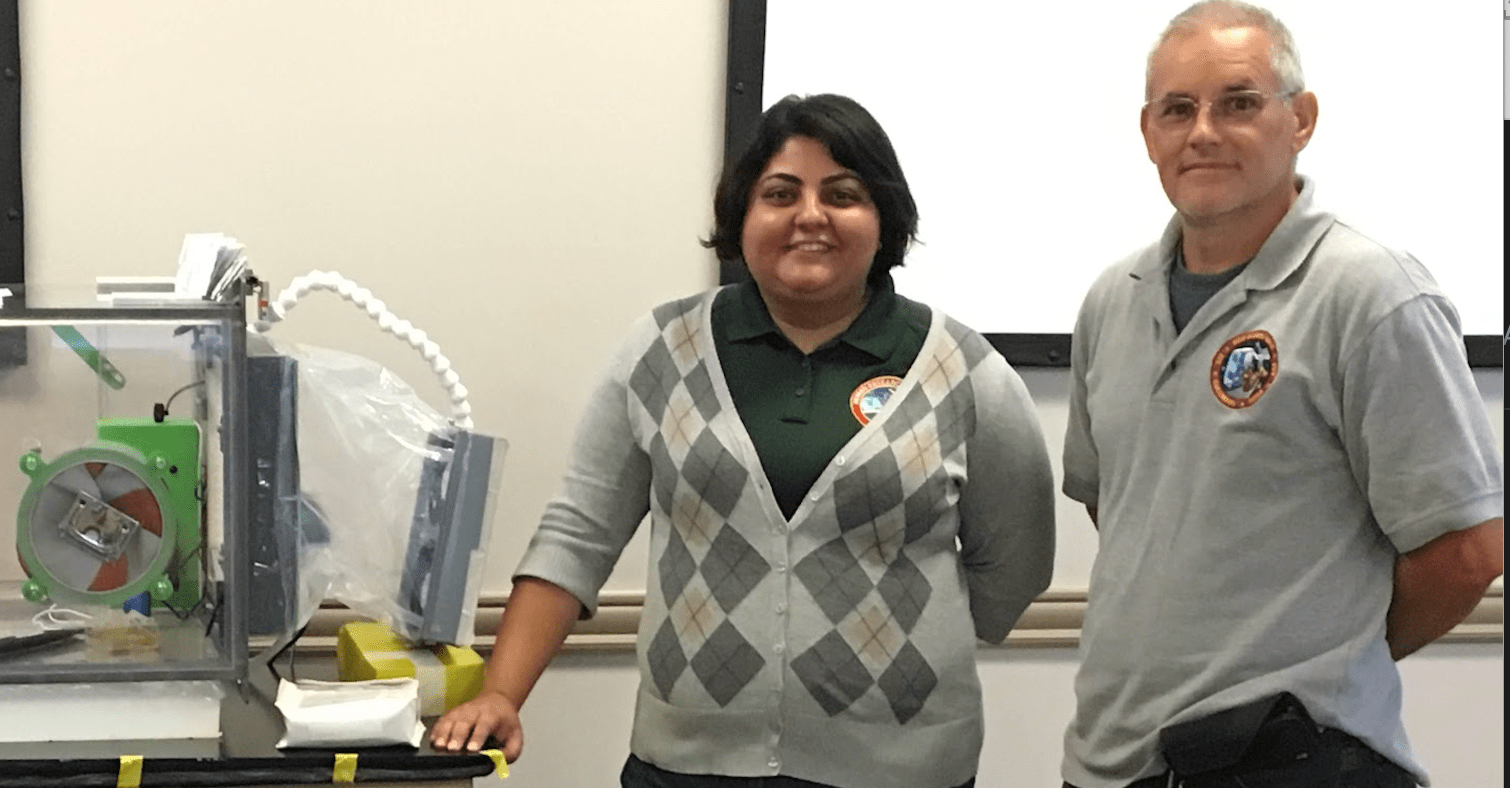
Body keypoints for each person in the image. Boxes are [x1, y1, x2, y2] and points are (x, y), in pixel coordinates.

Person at [431, 93, 1057, 788]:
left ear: (885, 220)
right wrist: (500, 693)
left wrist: (899, 658)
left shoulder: (965, 371)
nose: (810, 215)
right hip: (686, 767)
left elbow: (1017, 568)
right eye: (781, 193)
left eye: (844, 194)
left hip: (905, 774)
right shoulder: (663, 352)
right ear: (743, 216)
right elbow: (576, 538)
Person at [1060, 3, 1505, 787]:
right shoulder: (1110, 301)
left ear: (1300, 119)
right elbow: (1125, 510)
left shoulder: (1371, 296)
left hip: (1294, 765)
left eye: (1238, 102)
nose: (1203, 132)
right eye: (1178, 109)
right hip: (1110, 762)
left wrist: (1319, 660)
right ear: (1147, 132)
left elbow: (1465, 554)